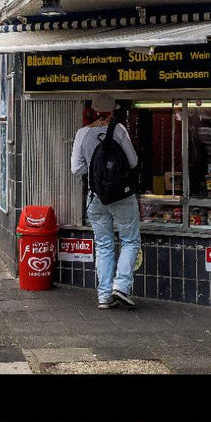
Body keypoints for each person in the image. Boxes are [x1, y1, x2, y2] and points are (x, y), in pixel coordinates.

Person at [70, 93, 141, 310]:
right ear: (112, 111)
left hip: (96, 197)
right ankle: (121, 286)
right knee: (130, 240)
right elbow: (133, 161)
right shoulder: (119, 130)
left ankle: (104, 296)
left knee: (103, 245)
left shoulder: (82, 133)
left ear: (93, 110)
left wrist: (96, 171)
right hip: (122, 196)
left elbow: (76, 169)